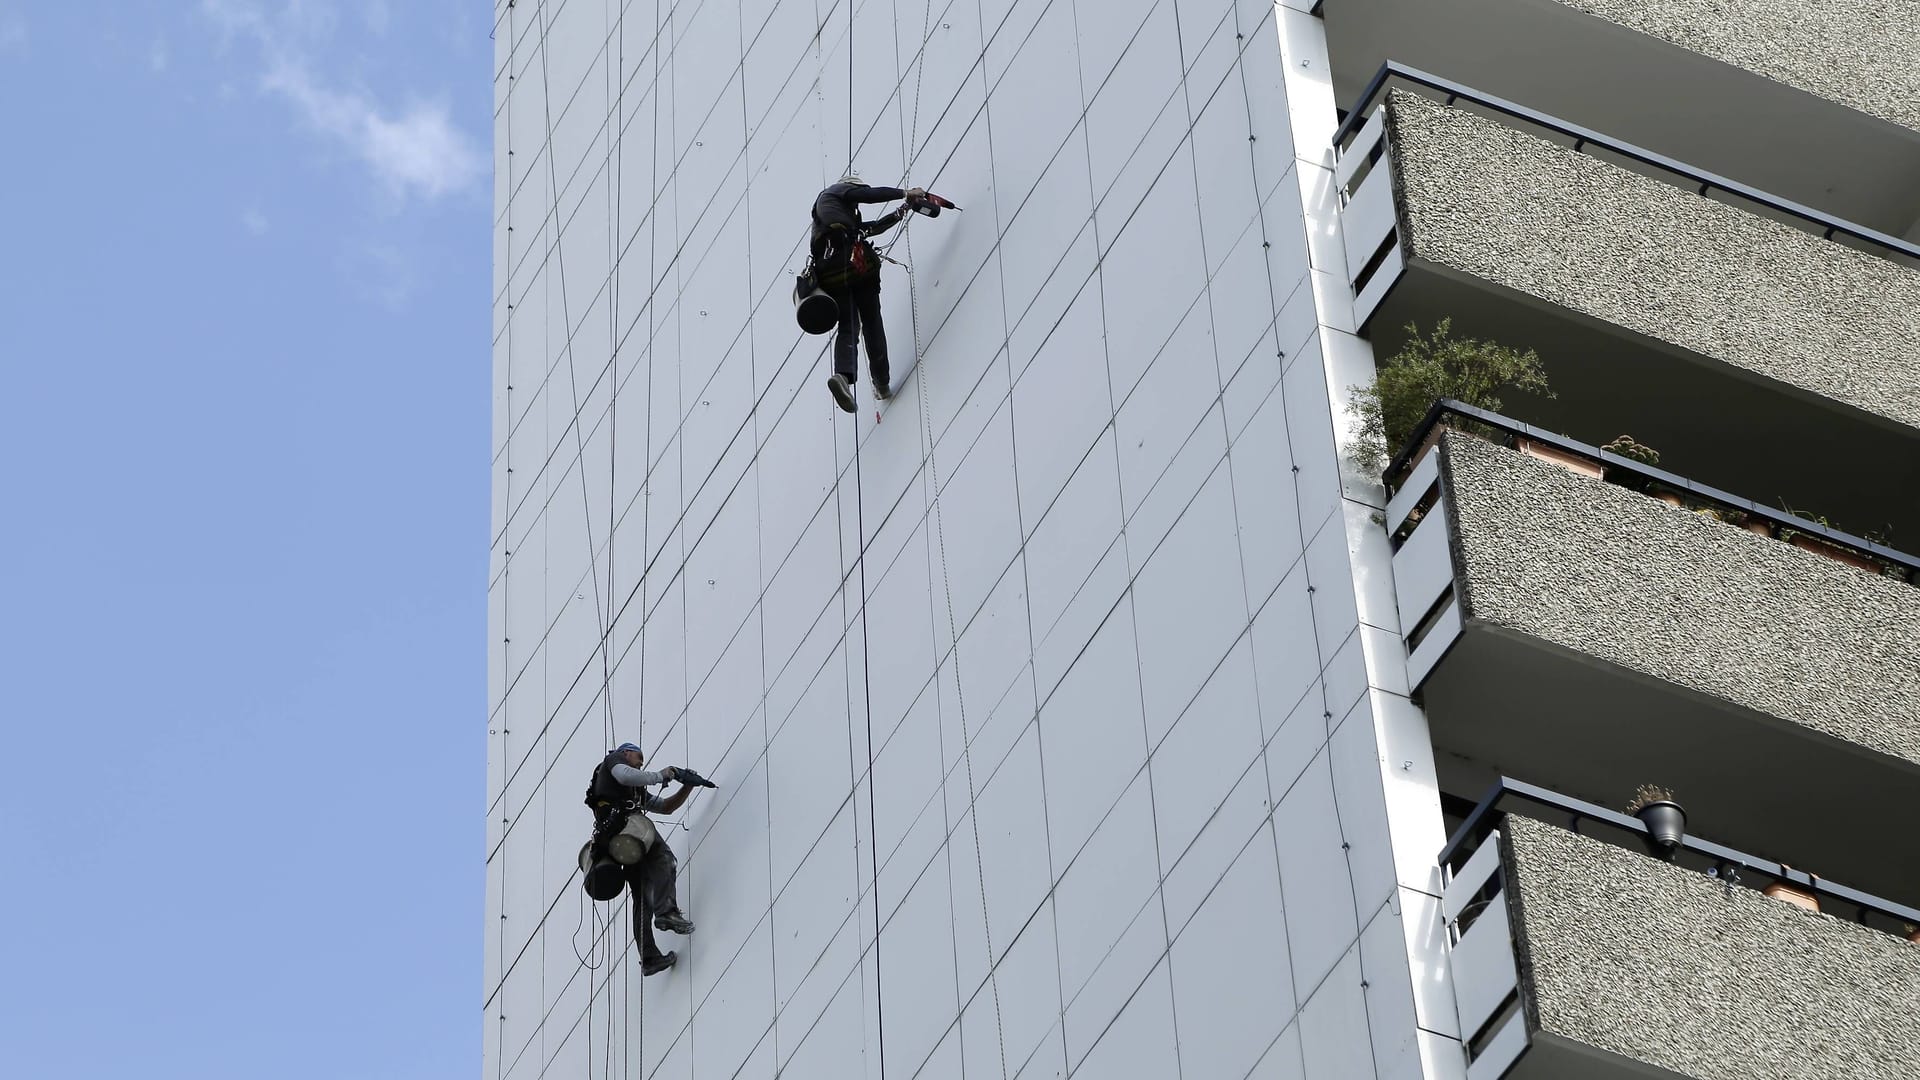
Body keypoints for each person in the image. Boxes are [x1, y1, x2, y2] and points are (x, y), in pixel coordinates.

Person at [810, 175, 927, 412]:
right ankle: (881, 382)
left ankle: (843, 376)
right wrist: (905, 193)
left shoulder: (835, 218)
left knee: (849, 326)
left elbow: (872, 228)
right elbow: (869, 196)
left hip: (831, 273)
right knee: (872, 323)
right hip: (857, 267)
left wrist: (902, 210)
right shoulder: (835, 192)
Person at [586, 742, 699, 975]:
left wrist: (687, 787)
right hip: (626, 830)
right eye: (639, 757)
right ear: (626, 752)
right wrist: (661, 775)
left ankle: (649, 958)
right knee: (665, 859)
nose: (641, 762)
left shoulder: (634, 790)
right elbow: (624, 774)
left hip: (622, 840)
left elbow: (665, 807)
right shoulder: (613, 762)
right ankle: (667, 912)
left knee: (642, 896)